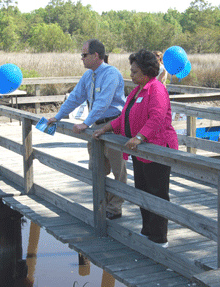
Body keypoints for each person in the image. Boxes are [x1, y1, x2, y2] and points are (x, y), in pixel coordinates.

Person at [92, 49, 178, 246]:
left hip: (157, 149)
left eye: (134, 72)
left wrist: (139, 136)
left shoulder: (156, 89)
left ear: (147, 72)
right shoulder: (137, 90)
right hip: (139, 151)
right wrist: (105, 128)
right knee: (142, 191)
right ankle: (147, 230)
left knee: (157, 193)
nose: (130, 75)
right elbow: (124, 117)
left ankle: (159, 237)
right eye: (131, 71)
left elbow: (157, 117)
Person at [47, 39, 127, 220]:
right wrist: (58, 116)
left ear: (95, 55)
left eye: (84, 55)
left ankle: (115, 208)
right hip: (97, 127)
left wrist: (85, 123)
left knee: (118, 170)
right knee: (97, 167)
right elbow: (75, 97)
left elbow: (103, 102)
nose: (81, 58)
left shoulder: (111, 74)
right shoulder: (88, 76)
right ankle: (104, 204)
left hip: (114, 126)